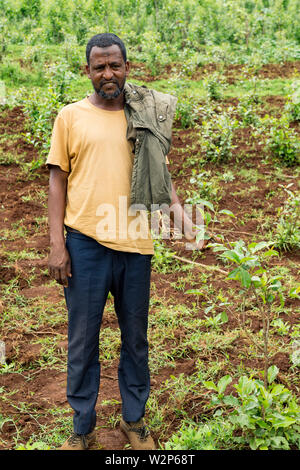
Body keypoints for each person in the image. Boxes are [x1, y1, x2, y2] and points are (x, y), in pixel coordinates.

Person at [47, 33, 204, 451]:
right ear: (88, 71)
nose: (108, 73)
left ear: (127, 66)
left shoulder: (143, 116)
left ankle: (134, 422)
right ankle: (83, 430)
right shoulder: (71, 117)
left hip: (136, 244)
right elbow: (57, 179)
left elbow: (160, 175)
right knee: (83, 338)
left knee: (135, 337)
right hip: (85, 243)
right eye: (99, 67)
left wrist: (182, 217)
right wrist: (57, 244)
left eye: (114, 65)